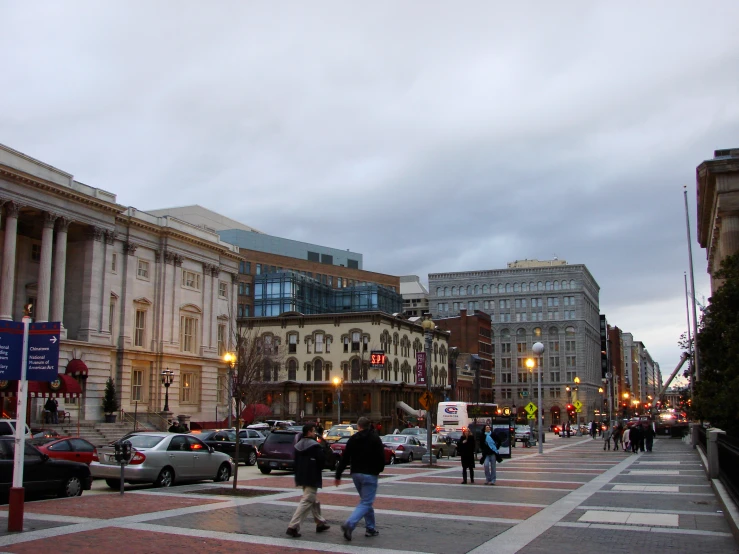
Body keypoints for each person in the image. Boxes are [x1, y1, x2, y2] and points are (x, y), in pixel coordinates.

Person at [335, 416, 385, 541]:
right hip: (370, 474)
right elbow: (381, 457)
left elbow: (345, 458)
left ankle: (370, 528)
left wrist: (338, 474)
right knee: (366, 502)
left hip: (356, 473)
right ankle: (349, 524)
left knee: (365, 501)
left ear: (359, 426)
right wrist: (379, 470)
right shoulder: (375, 438)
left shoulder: (353, 439)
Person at [286, 424, 330, 538]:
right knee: (307, 500)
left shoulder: (298, 446)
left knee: (313, 500)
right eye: (313, 431)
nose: (315, 433)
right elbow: (322, 461)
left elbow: (295, 462)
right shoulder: (315, 446)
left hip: (302, 475)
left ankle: (320, 523)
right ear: (309, 432)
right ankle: (293, 526)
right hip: (312, 476)